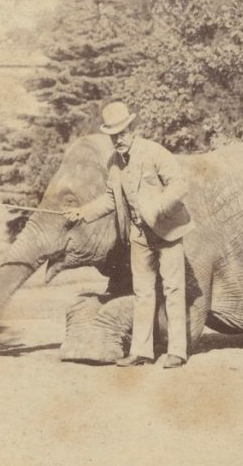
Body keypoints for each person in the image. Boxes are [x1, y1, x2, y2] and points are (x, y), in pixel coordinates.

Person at [63, 102, 194, 368]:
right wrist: (83, 213)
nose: (118, 140)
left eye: (122, 133)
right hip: (139, 235)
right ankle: (141, 352)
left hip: (168, 231)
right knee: (142, 292)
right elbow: (111, 199)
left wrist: (158, 208)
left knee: (173, 288)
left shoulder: (155, 152)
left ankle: (177, 352)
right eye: (113, 135)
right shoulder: (114, 163)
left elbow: (180, 185)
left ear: (133, 129)